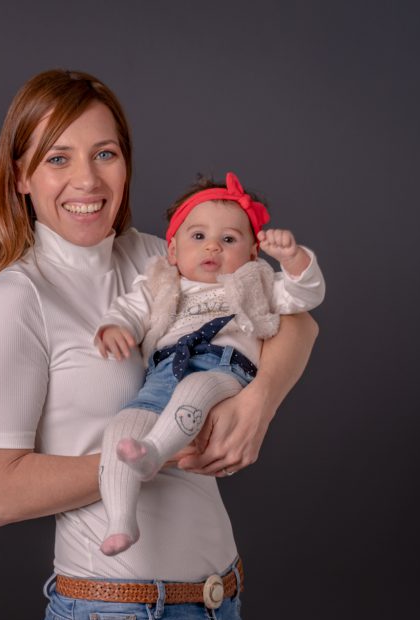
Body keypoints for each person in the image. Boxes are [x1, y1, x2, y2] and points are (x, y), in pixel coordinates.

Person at [0, 70, 319, 620]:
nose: (87, 180)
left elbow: (298, 323)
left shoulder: (160, 257)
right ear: (21, 176)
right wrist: (145, 459)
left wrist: (259, 401)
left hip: (217, 608)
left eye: (106, 153)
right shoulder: (17, 298)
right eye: (58, 158)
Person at [95, 172, 325, 556]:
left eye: (229, 240)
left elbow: (305, 298)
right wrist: (116, 327)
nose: (212, 248)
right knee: (122, 426)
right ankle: (121, 520)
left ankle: (154, 453)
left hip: (223, 368)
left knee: (195, 391)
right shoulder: (161, 281)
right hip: (164, 370)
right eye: (198, 236)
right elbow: (131, 309)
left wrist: (294, 259)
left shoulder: (256, 282)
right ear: (172, 250)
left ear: (252, 254)